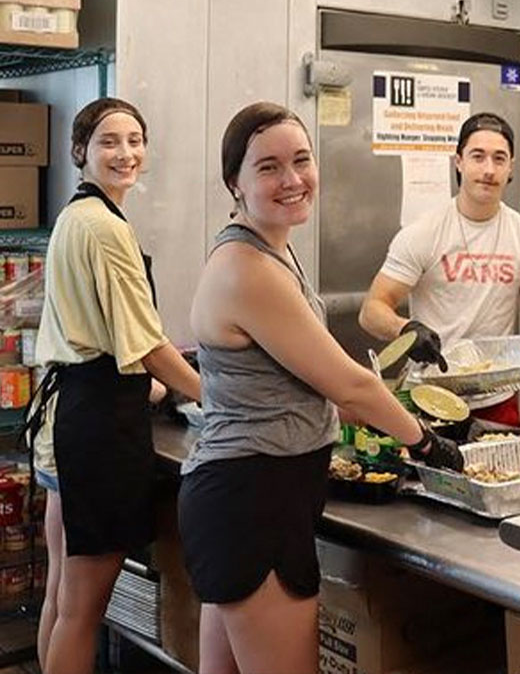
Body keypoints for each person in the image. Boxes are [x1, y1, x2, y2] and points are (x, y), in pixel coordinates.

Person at [180, 102, 463, 674]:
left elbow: (315, 381)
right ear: (233, 181)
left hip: (246, 497)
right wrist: (425, 442)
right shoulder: (248, 268)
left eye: (302, 160)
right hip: (254, 501)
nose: (292, 179)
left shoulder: (270, 248)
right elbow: (350, 384)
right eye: (268, 167)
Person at [29, 97, 202, 674]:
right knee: (83, 608)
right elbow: (148, 349)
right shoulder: (105, 229)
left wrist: (157, 385)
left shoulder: (76, 215)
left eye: (134, 140)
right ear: (80, 152)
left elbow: (106, 341)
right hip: (97, 431)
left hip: (67, 419)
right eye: (108, 141)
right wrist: (216, 396)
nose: (125, 153)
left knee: (60, 596)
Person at [359, 112, 520, 428]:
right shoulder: (424, 233)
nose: (488, 170)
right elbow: (372, 310)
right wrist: (405, 330)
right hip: (429, 395)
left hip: (498, 397)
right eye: (477, 157)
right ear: (459, 162)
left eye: (499, 159)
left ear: (511, 168)